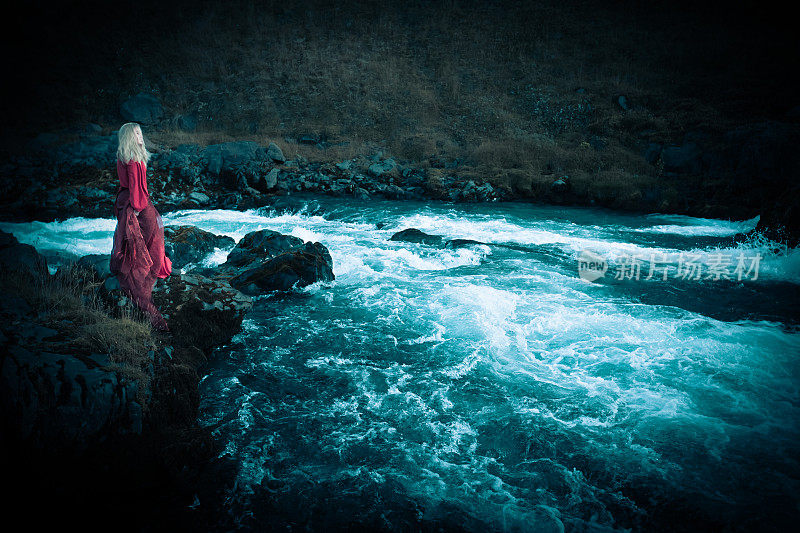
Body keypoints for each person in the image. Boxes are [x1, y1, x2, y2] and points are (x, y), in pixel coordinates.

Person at [109, 122, 172, 331]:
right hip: (138, 206)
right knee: (145, 244)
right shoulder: (134, 158)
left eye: (140, 132)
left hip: (127, 202)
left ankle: (139, 280)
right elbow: (137, 187)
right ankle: (142, 285)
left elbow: (128, 185)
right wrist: (136, 209)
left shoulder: (123, 156)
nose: (140, 136)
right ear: (129, 136)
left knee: (134, 246)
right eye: (136, 133)